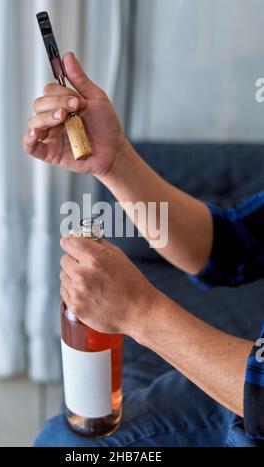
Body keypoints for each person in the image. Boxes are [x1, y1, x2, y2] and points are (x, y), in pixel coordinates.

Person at [24, 53, 264, 447]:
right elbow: (227, 248)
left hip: (254, 397)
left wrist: (139, 312)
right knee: (61, 441)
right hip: (242, 383)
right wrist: (114, 159)